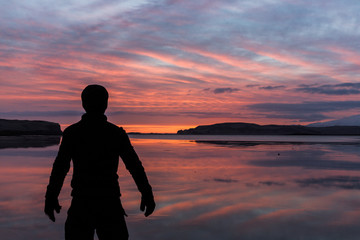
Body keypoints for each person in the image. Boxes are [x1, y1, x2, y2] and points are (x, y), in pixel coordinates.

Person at [44, 85, 155, 240]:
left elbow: (60, 168)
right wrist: (147, 193)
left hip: (82, 203)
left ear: (83, 104)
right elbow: (135, 167)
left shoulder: (72, 133)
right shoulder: (115, 133)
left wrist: (51, 197)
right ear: (106, 104)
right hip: (109, 203)